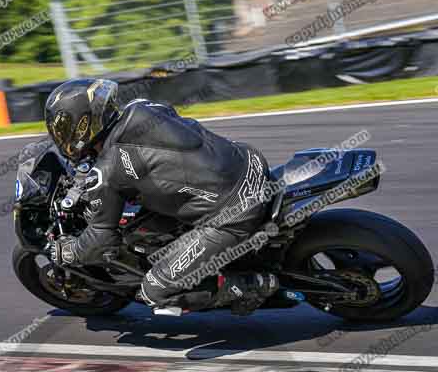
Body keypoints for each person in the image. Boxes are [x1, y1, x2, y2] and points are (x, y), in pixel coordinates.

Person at [44, 78, 279, 316]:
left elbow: (100, 242)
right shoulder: (142, 107)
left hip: (235, 211)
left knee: (154, 291)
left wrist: (69, 251)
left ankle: (251, 285)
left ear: (82, 125)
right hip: (248, 160)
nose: (61, 134)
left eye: (63, 127)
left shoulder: (105, 172)